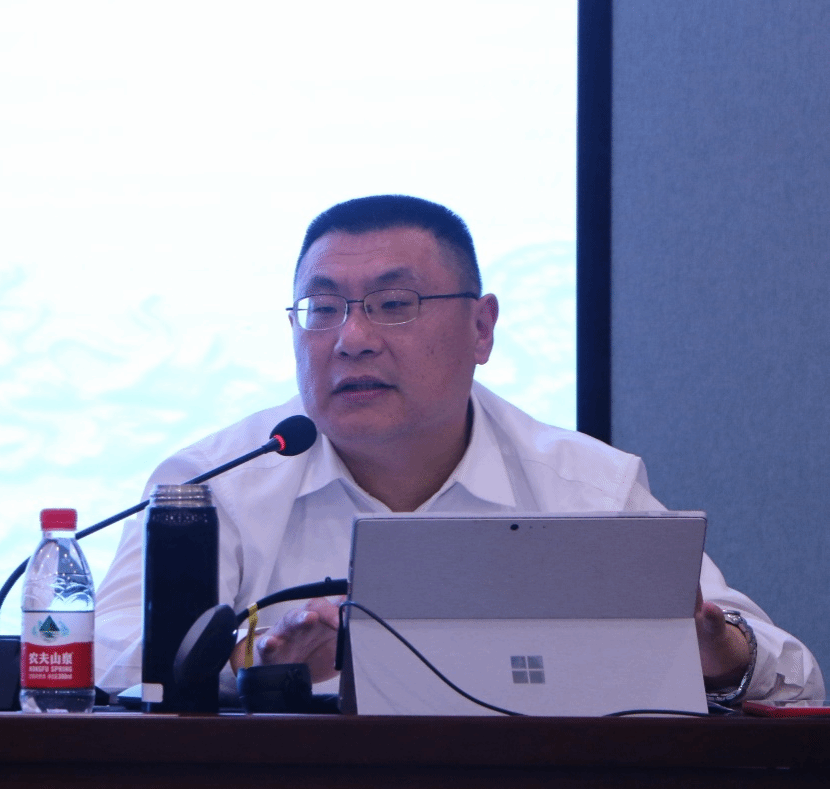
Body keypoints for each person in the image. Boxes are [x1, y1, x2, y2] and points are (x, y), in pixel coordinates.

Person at [93, 194, 824, 706]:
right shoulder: (209, 487)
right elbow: (99, 664)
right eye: (322, 309)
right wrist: (246, 667)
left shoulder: (587, 488)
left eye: (394, 304)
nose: (351, 338)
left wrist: (716, 652)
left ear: (481, 329)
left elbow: (796, 680)